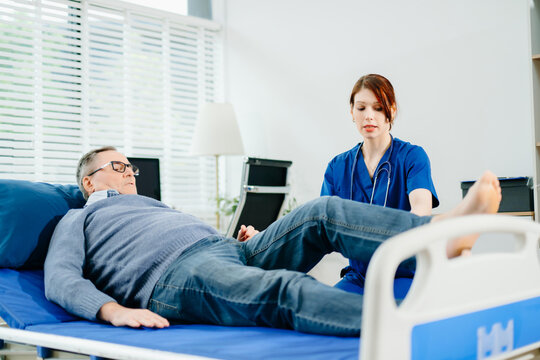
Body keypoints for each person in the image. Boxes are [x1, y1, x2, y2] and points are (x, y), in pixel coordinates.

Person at [44, 146, 501, 336]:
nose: (129, 173)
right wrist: (114, 310)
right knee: (282, 288)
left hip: (223, 251)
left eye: (130, 167)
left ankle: (436, 238)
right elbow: (60, 279)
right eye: (118, 167)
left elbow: (198, 242)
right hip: (173, 277)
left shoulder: (155, 206)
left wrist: (239, 241)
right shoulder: (78, 219)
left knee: (320, 213)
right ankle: (415, 329)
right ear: (89, 182)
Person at [321, 74, 439, 294]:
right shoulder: (337, 168)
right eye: (361, 108)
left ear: (391, 110)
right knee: (324, 309)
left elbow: (420, 213)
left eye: (378, 108)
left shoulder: (412, 157)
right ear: (351, 112)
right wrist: (267, 240)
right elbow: (319, 227)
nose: (369, 116)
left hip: (403, 273)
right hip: (359, 277)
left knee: (388, 318)